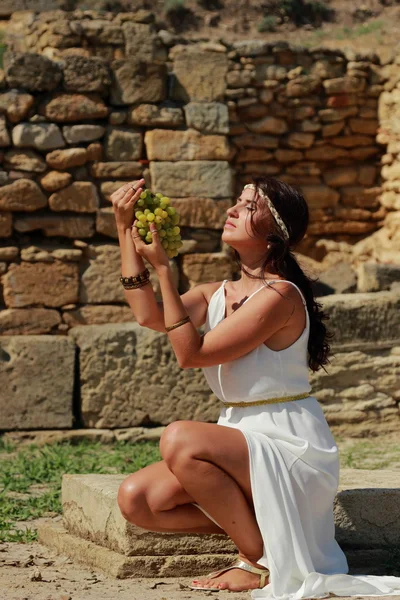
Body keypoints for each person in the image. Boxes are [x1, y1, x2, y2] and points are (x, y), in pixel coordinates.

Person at [113, 176, 400, 599]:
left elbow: (191, 354)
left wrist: (163, 270)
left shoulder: (280, 296)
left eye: (248, 206)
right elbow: (148, 316)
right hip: (240, 435)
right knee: (136, 499)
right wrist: (124, 232)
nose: (232, 209)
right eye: (237, 201)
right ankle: (274, 532)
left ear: (273, 235)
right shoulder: (218, 292)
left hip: (290, 444)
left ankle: (256, 558)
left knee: (179, 437)